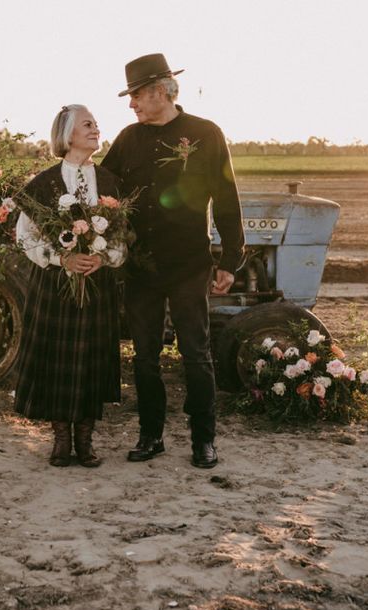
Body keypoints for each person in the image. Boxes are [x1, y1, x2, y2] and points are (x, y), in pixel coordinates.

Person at [101, 53, 245, 469]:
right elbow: (104, 190)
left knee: (196, 355)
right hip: (140, 267)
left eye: (136, 96)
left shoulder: (206, 133)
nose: (131, 105)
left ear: (160, 92)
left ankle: (204, 439)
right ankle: (151, 436)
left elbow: (227, 200)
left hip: (189, 264)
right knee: (144, 357)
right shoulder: (128, 138)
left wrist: (230, 260)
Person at [14, 105, 127, 468]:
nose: (96, 129)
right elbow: (24, 237)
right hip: (55, 286)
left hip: (98, 285)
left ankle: (85, 439)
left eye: (96, 124)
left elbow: (123, 239)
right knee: (57, 361)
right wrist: (60, 259)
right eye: (88, 124)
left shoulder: (110, 182)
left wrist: (103, 257)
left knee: (92, 359)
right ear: (67, 134)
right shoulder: (44, 183)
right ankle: (61, 439)